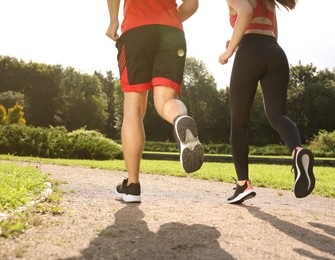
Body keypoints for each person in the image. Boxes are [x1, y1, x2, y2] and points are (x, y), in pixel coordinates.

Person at [106, 0, 204, 203]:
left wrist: (113, 20)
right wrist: (167, 17)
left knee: (133, 109)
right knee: (166, 100)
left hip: (137, 30)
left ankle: (132, 185)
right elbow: (192, 5)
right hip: (172, 33)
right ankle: (180, 119)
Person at [219, 0, 315, 204]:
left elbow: (245, 11)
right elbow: (272, 33)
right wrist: (237, 40)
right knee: (277, 115)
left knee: (239, 123)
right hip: (275, 52)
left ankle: (243, 184)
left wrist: (230, 50)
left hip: (249, 52)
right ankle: (297, 151)